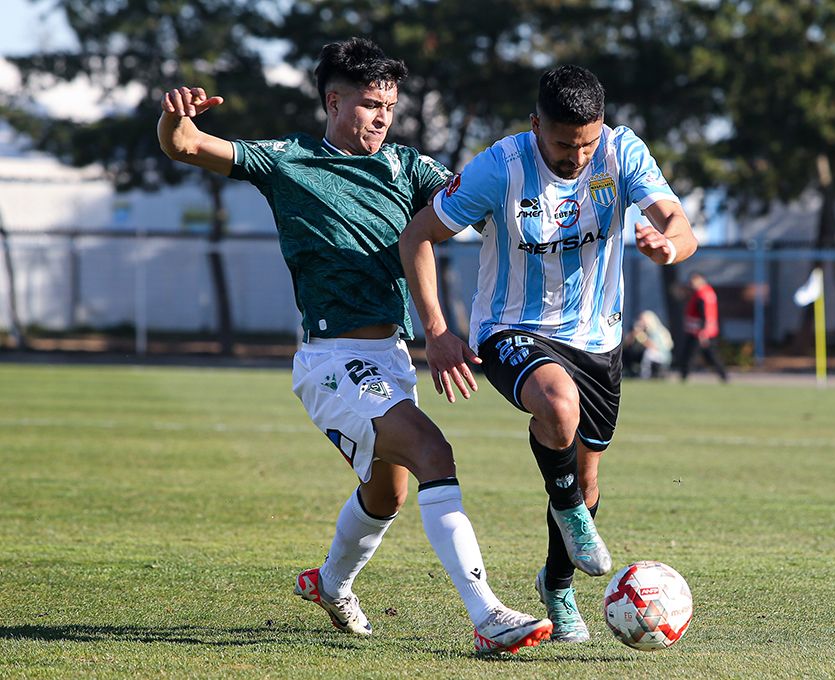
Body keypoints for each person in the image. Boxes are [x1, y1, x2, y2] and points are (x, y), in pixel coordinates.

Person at [157, 37, 551, 654]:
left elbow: (475, 206)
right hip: (332, 360)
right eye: (370, 105)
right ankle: (488, 615)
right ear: (334, 102)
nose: (382, 118)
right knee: (432, 450)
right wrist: (174, 118)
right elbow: (185, 145)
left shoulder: (408, 168)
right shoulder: (287, 161)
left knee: (387, 494)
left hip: (390, 357)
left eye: (389, 106)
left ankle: (330, 582)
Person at [400, 65, 697, 643]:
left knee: (586, 481)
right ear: (536, 125)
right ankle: (568, 511)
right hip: (512, 328)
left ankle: (556, 586)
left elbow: (677, 223)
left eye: (587, 143)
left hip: (598, 341)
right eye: (563, 145)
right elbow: (417, 237)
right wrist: (435, 332)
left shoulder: (622, 153)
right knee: (558, 407)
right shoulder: (499, 167)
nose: (577, 157)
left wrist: (669, 247)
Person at [677, 272, 728, 382]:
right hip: (707, 331)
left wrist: (703, 332)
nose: (691, 284)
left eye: (693, 281)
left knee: (689, 354)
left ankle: (684, 376)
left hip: (698, 332)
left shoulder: (701, 295)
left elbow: (704, 315)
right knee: (709, 355)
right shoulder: (708, 292)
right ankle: (723, 375)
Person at [622, 310, 674, 379]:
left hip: (663, 356)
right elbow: (626, 344)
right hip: (655, 355)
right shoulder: (646, 332)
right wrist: (633, 334)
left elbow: (655, 347)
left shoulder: (656, 331)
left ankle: (645, 374)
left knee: (648, 353)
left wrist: (641, 337)